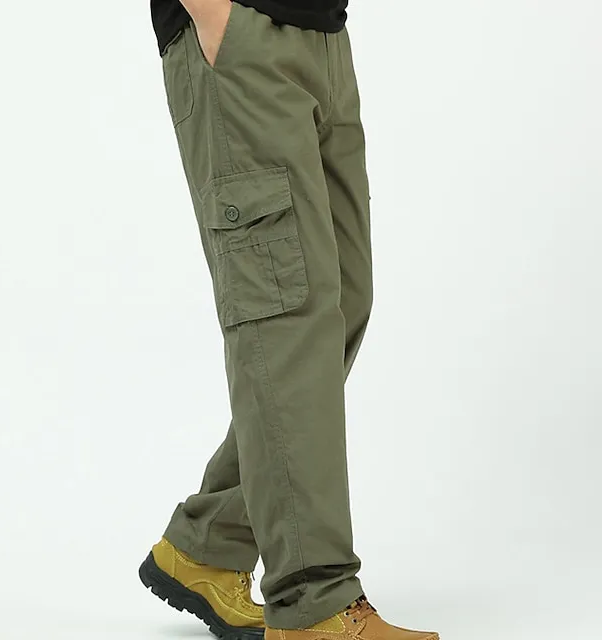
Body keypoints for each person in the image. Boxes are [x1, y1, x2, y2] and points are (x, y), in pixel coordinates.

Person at [140, 1, 440, 640]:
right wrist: (215, 15)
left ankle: (209, 544)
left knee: (341, 300)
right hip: (241, 36)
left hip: (323, 35)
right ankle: (314, 604)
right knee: (284, 313)